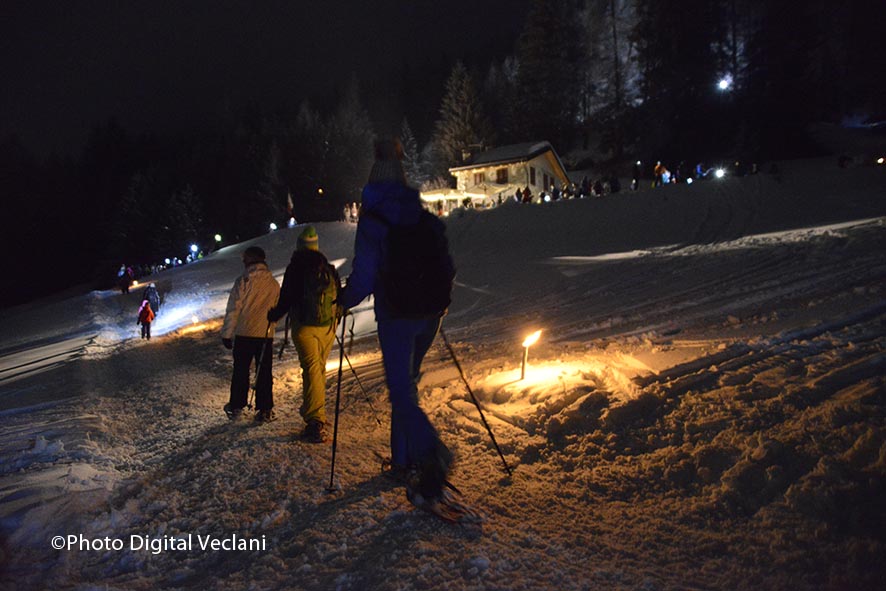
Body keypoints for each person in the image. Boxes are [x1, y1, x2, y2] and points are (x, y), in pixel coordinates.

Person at [339, 138, 456, 509]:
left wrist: (343, 301)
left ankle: (430, 455)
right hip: (431, 315)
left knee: (401, 392)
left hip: (397, 317)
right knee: (409, 388)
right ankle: (404, 459)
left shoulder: (374, 220)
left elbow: (363, 277)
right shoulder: (423, 217)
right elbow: (448, 267)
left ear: (372, 186)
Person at [267, 226, 341, 443]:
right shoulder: (327, 267)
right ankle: (317, 414)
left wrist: (274, 315)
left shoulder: (295, 268)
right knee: (318, 368)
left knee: (311, 370)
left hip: (304, 327)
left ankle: (315, 420)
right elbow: (339, 295)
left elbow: (286, 298)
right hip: (328, 326)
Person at [221, 246, 281, 422]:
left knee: (241, 370)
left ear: (251, 259)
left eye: (245, 258)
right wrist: (271, 326)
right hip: (265, 335)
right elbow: (277, 308)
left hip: (244, 333)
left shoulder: (243, 281)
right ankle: (265, 408)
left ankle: (237, 406)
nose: (243, 261)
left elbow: (234, 309)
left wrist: (227, 333)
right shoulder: (273, 283)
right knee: (264, 372)